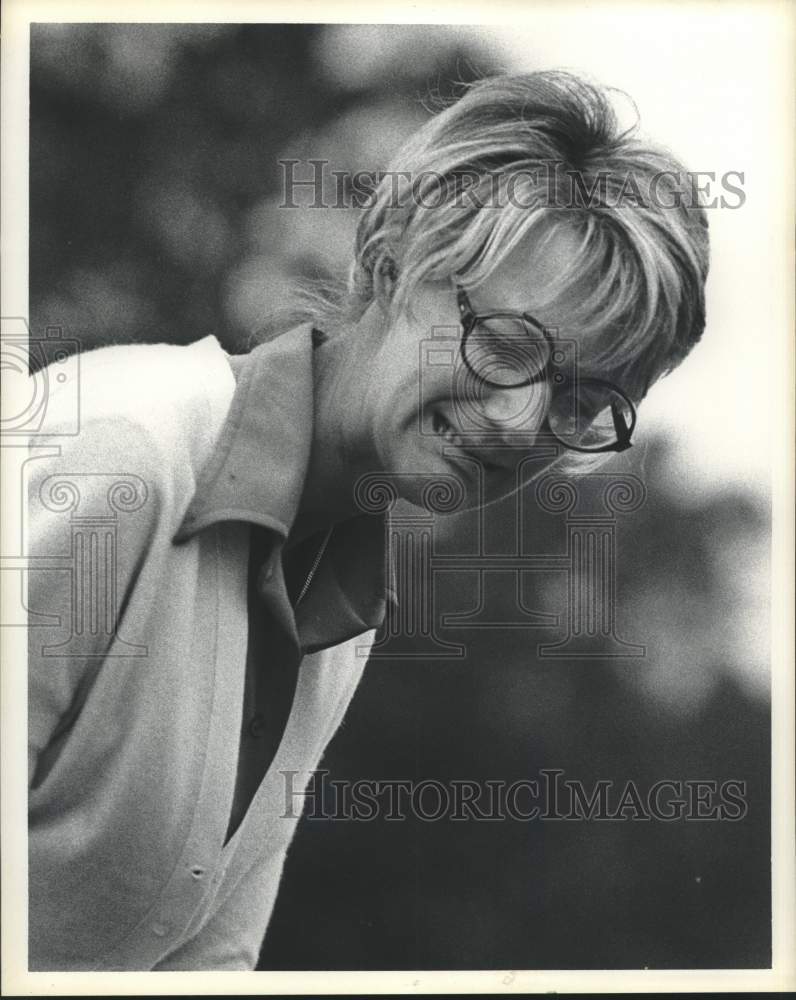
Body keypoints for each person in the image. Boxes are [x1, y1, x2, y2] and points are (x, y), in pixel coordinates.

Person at [26, 70, 709, 970]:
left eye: (582, 401)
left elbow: (203, 958)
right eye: (503, 344)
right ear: (390, 256)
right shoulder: (121, 448)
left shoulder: (339, 607)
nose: (519, 422)